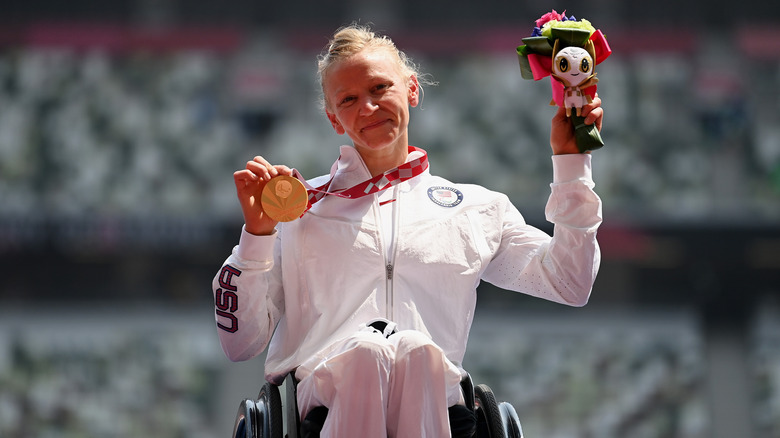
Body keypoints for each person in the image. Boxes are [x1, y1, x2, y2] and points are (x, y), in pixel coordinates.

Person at [213, 23, 603, 438]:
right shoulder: (295, 210)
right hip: (318, 414)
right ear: (333, 118)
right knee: (367, 352)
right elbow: (241, 343)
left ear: (412, 89)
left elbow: (569, 282)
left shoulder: (477, 209)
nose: (367, 107)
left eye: (380, 87)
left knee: (415, 351)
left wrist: (571, 164)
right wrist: (256, 236)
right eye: (349, 99)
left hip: (435, 402)